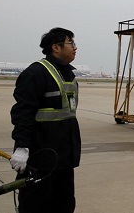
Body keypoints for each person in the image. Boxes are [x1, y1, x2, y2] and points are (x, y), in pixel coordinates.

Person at [10, 27, 81, 213]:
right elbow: (22, 112)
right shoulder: (36, 73)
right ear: (55, 47)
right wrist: (21, 147)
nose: (75, 47)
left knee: (64, 204)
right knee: (36, 205)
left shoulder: (68, 74)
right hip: (40, 158)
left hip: (64, 158)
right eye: (70, 43)